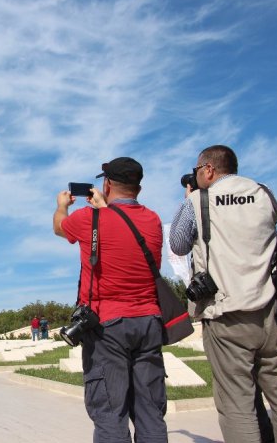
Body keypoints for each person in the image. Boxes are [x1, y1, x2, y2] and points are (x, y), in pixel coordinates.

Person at [169, 145, 277, 442]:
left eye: (197, 171)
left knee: (237, 405)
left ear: (208, 170)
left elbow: (179, 245)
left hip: (227, 315)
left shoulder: (197, 200)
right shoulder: (264, 192)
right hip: (272, 312)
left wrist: (189, 201)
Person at [54, 157, 167, 442]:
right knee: (150, 412)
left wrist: (62, 206)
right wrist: (105, 207)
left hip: (107, 326)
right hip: (149, 322)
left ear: (106, 183)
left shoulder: (88, 219)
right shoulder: (153, 220)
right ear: (138, 187)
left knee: (109, 415)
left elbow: (59, 227)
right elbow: (123, 230)